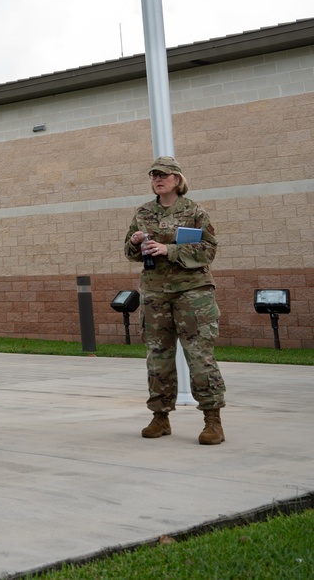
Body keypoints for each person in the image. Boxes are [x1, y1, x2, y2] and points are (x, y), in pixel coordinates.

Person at [124, 156, 226, 445]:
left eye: (165, 175)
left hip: (193, 293)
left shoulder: (194, 211)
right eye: (154, 175)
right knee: (158, 358)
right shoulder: (143, 212)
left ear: (177, 180)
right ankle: (160, 417)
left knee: (200, 356)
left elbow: (208, 251)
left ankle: (212, 420)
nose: (159, 179)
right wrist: (134, 243)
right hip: (155, 293)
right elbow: (129, 252)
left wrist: (168, 249)